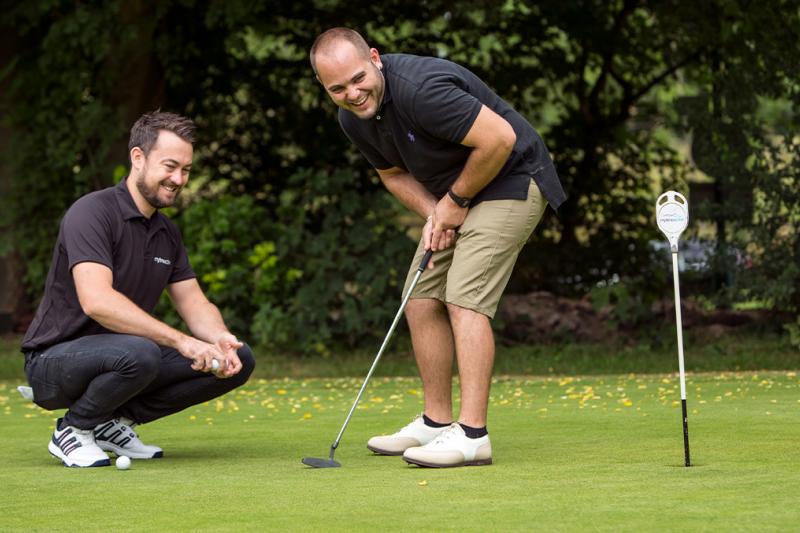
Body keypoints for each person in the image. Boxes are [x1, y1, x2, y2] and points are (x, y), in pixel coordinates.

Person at [310, 28, 566, 468]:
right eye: (337, 88)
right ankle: (435, 421)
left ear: (374, 58)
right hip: (458, 195)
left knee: (464, 297)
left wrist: (454, 202)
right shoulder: (353, 118)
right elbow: (391, 174)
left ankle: (472, 435)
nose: (352, 93)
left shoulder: (421, 90)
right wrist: (436, 213)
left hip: (513, 179)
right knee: (421, 298)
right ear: (325, 88)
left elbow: (499, 139)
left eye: (357, 78)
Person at [20, 111, 255, 468]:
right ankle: (73, 428)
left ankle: (109, 422)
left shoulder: (167, 233)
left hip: (126, 357)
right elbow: (97, 302)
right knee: (142, 351)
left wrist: (219, 338)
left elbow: (194, 303)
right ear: (138, 158)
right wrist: (181, 341)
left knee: (237, 360)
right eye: (170, 166)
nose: (178, 179)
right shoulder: (92, 212)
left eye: (186, 170)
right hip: (52, 364)